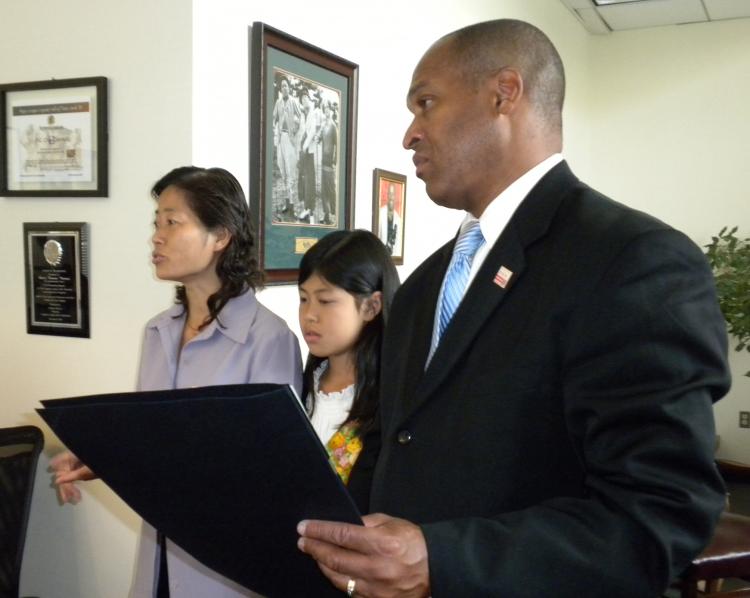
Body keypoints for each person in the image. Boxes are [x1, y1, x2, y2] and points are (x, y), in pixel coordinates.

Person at [297, 19, 731, 598]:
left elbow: (658, 514)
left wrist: (442, 559)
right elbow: (400, 449)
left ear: (504, 93)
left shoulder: (633, 261)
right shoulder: (426, 283)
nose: (409, 135)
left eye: (425, 103)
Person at [51, 166, 303, 598]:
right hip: (160, 555)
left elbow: (272, 474)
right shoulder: (157, 332)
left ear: (220, 235)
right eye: (156, 223)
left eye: (173, 221)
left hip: (228, 567)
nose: (156, 236)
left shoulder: (269, 338)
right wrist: (99, 456)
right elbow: (149, 437)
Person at [297, 230, 400, 512]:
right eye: (304, 299)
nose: (309, 315)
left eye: (325, 301)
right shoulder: (298, 383)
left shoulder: (392, 397)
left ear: (371, 307)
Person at [272, 77, 302, 218]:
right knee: (282, 170)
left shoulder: (293, 102)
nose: (284, 88)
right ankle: (286, 202)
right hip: (281, 139)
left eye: (286, 86)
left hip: (290, 139)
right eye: (282, 86)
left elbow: (300, 117)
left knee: (290, 172)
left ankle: (292, 205)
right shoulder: (278, 103)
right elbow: (273, 119)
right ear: (280, 89)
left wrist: (295, 129)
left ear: (289, 88)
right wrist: (275, 134)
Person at [319, 99, 338, 225]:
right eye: (324, 109)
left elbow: (336, 145)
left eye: (328, 109)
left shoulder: (333, 126)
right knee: (324, 189)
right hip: (323, 161)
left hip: (330, 163)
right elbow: (320, 139)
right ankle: (326, 215)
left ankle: (333, 213)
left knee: (331, 188)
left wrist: (334, 161)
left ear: (331, 111)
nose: (326, 111)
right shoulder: (323, 126)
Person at [377, 182, 402, 256]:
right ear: (387, 196)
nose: (391, 197)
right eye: (390, 194)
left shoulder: (398, 219)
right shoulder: (380, 213)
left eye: (393, 194)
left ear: (395, 197)